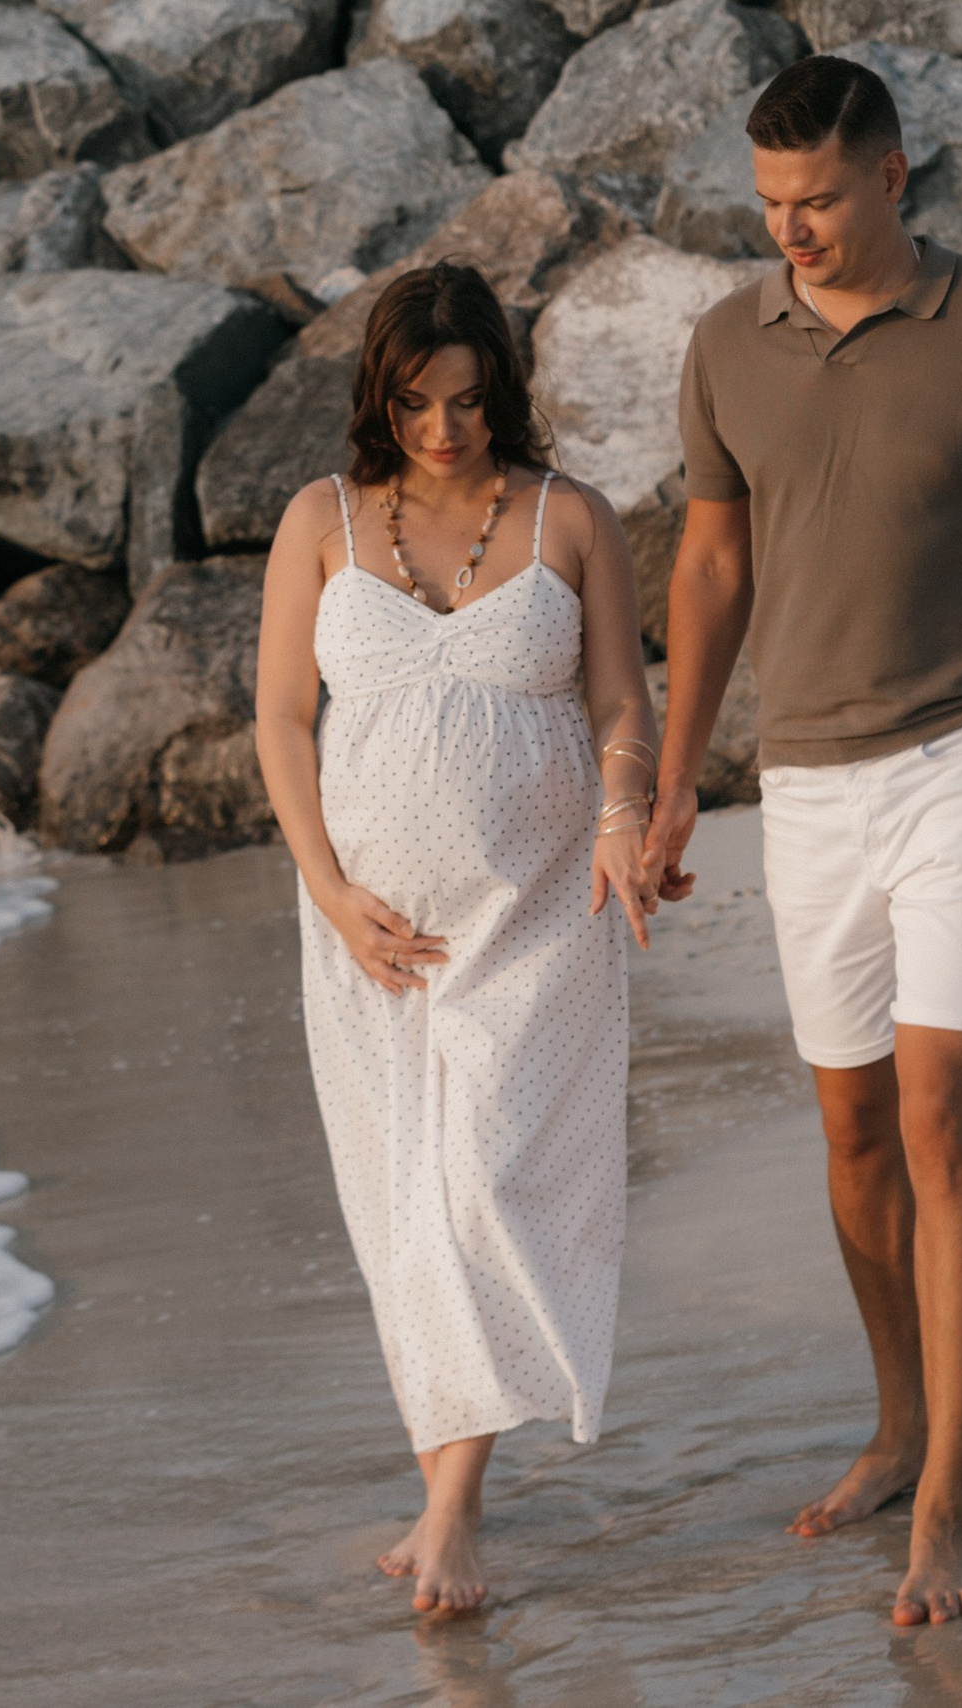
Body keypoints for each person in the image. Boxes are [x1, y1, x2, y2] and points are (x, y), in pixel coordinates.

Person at [647, 55, 962, 1627]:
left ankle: (952, 1504)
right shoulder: (728, 346)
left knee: (942, 1124)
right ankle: (898, 1417)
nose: (789, 230)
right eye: (767, 206)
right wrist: (674, 783)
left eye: (813, 200)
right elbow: (711, 571)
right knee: (853, 1133)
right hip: (805, 782)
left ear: (892, 177)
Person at [253, 263, 663, 1616]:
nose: (446, 429)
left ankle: (452, 1512)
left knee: (483, 1186)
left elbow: (621, 707)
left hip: (539, 914)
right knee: (402, 1212)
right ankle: (446, 1505)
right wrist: (325, 889)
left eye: (471, 402)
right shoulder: (320, 519)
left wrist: (622, 821)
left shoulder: (572, 519)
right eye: (420, 404)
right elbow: (281, 723)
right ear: (381, 394)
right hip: (367, 933)